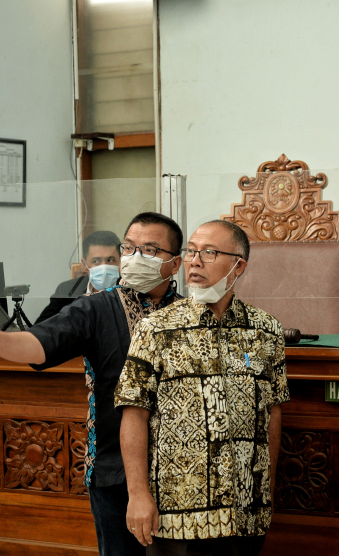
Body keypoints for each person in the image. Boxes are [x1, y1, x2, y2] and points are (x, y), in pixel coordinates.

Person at [0, 212, 185, 556]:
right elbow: (39, 344)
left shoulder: (193, 313)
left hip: (186, 471)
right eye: (129, 248)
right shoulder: (96, 308)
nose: (135, 257)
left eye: (150, 250)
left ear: (176, 263)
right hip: (116, 473)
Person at [115, 219, 289, 556]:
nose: (195, 261)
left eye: (209, 253)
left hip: (244, 512)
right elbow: (133, 414)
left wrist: (265, 489)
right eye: (192, 252)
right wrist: (137, 493)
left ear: (238, 266)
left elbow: (272, 411)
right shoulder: (156, 328)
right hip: (176, 514)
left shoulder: (266, 331)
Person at [35, 230, 122, 324]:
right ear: (84, 264)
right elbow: (41, 328)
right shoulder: (67, 290)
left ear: (121, 261)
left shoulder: (131, 290)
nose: (104, 267)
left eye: (110, 260)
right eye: (96, 261)